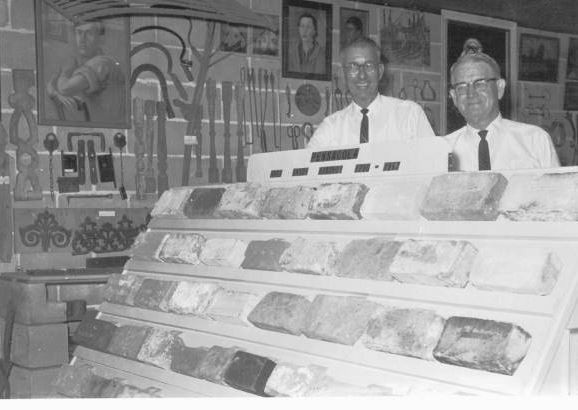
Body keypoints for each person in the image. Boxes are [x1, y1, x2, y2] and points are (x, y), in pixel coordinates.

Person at [445, 38, 559, 171]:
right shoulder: (444, 151)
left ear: (500, 88)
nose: (471, 93)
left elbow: (559, 192)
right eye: (462, 86)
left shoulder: (535, 141)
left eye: (480, 83)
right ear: (454, 97)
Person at [307, 37, 435, 148]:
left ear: (380, 71)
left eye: (369, 66)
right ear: (343, 73)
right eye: (353, 66)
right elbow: (305, 169)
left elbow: (433, 166)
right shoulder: (330, 128)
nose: (362, 75)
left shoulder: (409, 115)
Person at [47, 20, 126, 124]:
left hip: (109, 128)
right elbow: (51, 84)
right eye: (79, 33)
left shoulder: (102, 63)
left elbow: (64, 88)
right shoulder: (82, 64)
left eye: (89, 33)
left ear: (101, 39)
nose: (82, 39)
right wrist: (55, 94)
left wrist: (65, 72)